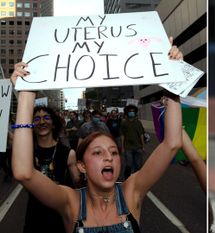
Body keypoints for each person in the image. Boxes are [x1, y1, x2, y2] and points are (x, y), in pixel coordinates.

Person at [11, 40, 183, 233]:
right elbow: (24, 172)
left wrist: (172, 78)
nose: (109, 157)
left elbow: (172, 144)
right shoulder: (70, 202)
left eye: (113, 152)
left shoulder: (131, 191)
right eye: (97, 153)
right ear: (81, 165)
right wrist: (26, 95)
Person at [22, 105, 80, 233]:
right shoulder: (26, 154)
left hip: (60, 216)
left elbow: (78, 183)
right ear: (31, 126)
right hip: (34, 215)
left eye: (46, 118)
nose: (42, 122)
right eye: (36, 119)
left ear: (53, 124)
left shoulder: (68, 154)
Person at [120, 104, 146, 178]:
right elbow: (122, 135)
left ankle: (136, 178)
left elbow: (141, 134)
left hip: (138, 147)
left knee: (138, 165)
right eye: (130, 111)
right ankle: (127, 179)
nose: (131, 112)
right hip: (128, 147)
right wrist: (122, 147)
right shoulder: (124, 123)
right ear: (127, 112)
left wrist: (143, 146)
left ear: (135, 112)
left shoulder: (138, 122)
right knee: (129, 164)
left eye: (133, 111)